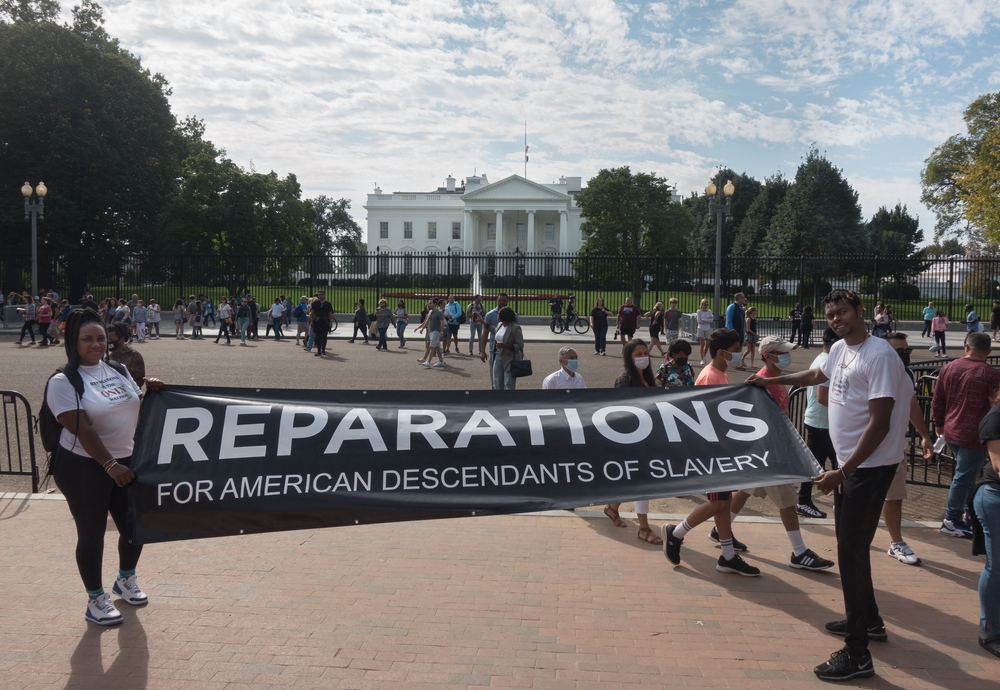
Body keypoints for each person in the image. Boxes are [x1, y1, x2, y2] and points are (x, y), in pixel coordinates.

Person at [745, 290, 934, 681]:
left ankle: (857, 653)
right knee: (852, 548)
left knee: (851, 553)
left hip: (870, 468)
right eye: (831, 314)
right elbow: (817, 376)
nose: (836, 319)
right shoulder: (840, 350)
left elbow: (880, 424)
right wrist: (774, 380)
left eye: (843, 311)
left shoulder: (879, 356)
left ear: (861, 311)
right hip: (854, 468)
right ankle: (869, 620)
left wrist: (843, 472)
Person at [46, 308, 163, 625]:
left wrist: (150, 392)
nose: (96, 344)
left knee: (136, 527)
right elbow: (81, 429)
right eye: (87, 339)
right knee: (92, 532)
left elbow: (132, 408)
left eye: (100, 338)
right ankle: (95, 598)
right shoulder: (63, 381)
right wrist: (110, 465)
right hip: (83, 465)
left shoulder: (118, 369)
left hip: (125, 460)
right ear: (73, 341)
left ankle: (125, 579)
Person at [729, 336, 835, 572]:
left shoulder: (772, 379)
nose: (787, 356)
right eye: (782, 352)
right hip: (770, 451)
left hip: (770, 449)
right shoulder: (761, 381)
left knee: (745, 490)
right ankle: (799, 552)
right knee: (787, 500)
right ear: (768, 355)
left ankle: (714, 529)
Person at [663, 328, 760, 576]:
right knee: (718, 503)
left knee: (723, 503)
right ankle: (676, 533)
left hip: (719, 449)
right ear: (721, 352)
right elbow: (704, 417)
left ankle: (727, 556)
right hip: (711, 451)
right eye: (736, 350)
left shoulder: (720, 375)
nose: (739, 354)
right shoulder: (710, 377)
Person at [933, 332, 1000, 538]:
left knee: (966, 475)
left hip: (952, 430)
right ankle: (952, 518)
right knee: (965, 477)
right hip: (975, 435)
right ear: (989, 351)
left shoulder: (949, 367)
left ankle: (964, 512)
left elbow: (938, 398)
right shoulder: (991, 374)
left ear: (966, 347)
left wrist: (938, 424)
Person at [604, 339, 662, 546]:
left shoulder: (649, 379)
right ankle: (644, 528)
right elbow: (618, 412)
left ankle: (612, 507)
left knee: (630, 479)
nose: (643, 357)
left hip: (648, 438)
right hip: (631, 440)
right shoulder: (624, 380)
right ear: (629, 357)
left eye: (645, 353)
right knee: (641, 481)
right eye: (638, 354)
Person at [880, 332, 929, 566]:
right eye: (899, 351)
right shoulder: (872, 373)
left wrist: (925, 436)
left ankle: (896, 542)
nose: (904, 355)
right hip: (866, 449)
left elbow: (913, 405)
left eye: (907, 350)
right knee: (858, 498)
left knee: (894, 496)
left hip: (895, 448)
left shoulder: (907, 374)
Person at [796, 327, 839, 520]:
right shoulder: (829, 362)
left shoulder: (822, 358)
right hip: (824, 423)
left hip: (819, 421)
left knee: (817, 466)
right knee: (835, 466)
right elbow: (823, 397)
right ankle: (805, 501)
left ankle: (805, 501)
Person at [974, 396, 1000, 658]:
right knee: (996, 565)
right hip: (994, 498)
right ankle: (989, 630)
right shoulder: (995, 418)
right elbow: (999, 466)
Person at [479, 294, 518, 388]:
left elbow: (517, 338)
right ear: (497, 300)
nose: (502, 302)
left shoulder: (513, 316)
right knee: (495, 380)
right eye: (500, 300)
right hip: (494, 350)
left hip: (509, 353)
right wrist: (483, 351)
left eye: (504, 300)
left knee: (508, 381)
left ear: (507, 300)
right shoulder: (490, 315)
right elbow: (486, 333)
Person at [490, 306, 522, 388]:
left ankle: (508, 397)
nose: (497, 315)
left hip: (510, 358)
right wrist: (483, 322)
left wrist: (505, 346)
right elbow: (495, 331)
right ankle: (499, 396)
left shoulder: (515, 328)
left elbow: (520, 345)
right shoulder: (500, 325)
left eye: (499, 314)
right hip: (498, 355)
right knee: (497, 382)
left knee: (508, 384)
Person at [106, 323, 146, 390]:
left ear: (121, 339)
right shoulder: (109, 357)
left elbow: (138, 381)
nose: (108, 342)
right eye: (107, 340)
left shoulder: (133, 355)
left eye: (111, 340)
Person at [422, 299, 446, 368]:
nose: (429, 304)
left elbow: (442, 323)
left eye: (431, 303)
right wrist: (422, 328)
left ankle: (428, 362)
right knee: (437, 347)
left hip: (436, 331)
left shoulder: (439, 312)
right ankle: (441, 361)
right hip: (431, 331)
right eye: (429, 303)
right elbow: (427, 321)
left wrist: (441, 332)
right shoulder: (430, 312)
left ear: (435, 304)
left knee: (432, 346)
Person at [724, 293, 747, 366]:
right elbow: (729, 319)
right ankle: (728, 362)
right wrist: (731, 330)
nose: (744, 299)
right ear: (739, 298)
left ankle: (738, 363)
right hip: (733, 331)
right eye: (743, 298)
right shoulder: (732, 307)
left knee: (739, 347)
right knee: (732, 347)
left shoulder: (741, 308)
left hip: (740, 331)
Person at [311, 291, 334, 357]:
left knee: (324, 336)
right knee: (318, 336)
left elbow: (330, 313)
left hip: (325, 321)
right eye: (319, 294)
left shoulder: (328, 304)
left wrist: (330, 322)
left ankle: (323, 350)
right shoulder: (315, 303)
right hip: (317, 321)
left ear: (324, 295)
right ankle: (319, 351)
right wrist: (312, 321)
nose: (320, 296)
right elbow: (312, 313)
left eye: (322, 294)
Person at [696, 298, 714, 365]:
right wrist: (707, 319)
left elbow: (711, 320)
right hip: (701, 328)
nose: (705, 306)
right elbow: (699, 321)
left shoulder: (709, 311)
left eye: (707, 305)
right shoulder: (699, 311)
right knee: (702, 344)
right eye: (704, 305)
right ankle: (702, 359)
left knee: (707, 344)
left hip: (708, 328)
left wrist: (703, 319)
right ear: (701, 305)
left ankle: (704, 356)